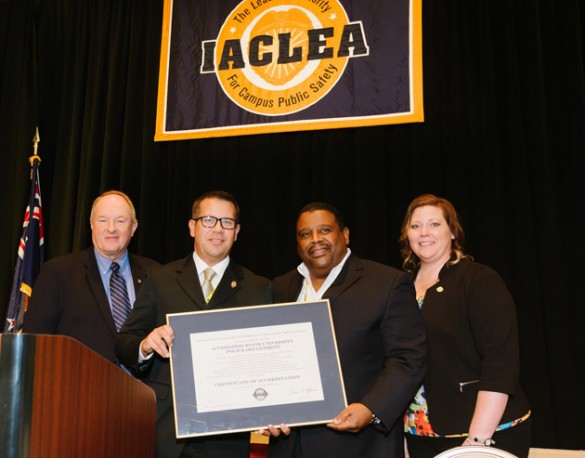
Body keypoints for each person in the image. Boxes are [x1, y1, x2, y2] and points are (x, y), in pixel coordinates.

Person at [114, 190, 272, 458]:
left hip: (228, 435)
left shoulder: (258, 289)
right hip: (166, 432)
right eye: (209, 220)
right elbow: (124, 342)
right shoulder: (159, 279)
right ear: (192, 227)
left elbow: (267, 361)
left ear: (237, 232)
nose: (218, 229)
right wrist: (145, 345)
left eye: (227, 222)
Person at [265, 202, 427, 458]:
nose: (315, 240)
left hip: (360, 446)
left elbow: (409, 358)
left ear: (346, 235)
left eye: (325, 230)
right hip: (290, 446)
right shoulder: (281, 287)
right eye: (305, 234)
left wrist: (371, 408)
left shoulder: (386, 283)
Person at [400, 194, 531, 458]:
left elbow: (500, 362)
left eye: (435, 224)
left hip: (482, 434)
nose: (424, 233)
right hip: (418, 435)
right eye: (416, 226)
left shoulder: (478, 280)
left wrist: (476, 443)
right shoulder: (399, 288)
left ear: (452, 232)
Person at [22, 190, 159, 364]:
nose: (111, 228)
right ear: (92, 224)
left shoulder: (156, 274)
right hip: (80, 386)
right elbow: (35, 342)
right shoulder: (57, 273)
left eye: (120, 221)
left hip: (143, 388)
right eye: (103, 220)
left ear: (133, 227)